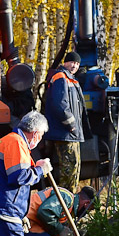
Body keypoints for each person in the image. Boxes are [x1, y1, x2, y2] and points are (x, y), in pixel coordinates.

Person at [43, 50, 87, 192]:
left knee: (73, 169)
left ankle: (68, 199)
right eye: (72, 62)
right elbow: (60, 104)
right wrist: (72, 125)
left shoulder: (71, 79)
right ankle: (65, 200)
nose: (74, 66)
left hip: (70, 133)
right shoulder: (61, 77)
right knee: (69, 171)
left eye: (77, 63)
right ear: (65, 62)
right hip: (65, 133)